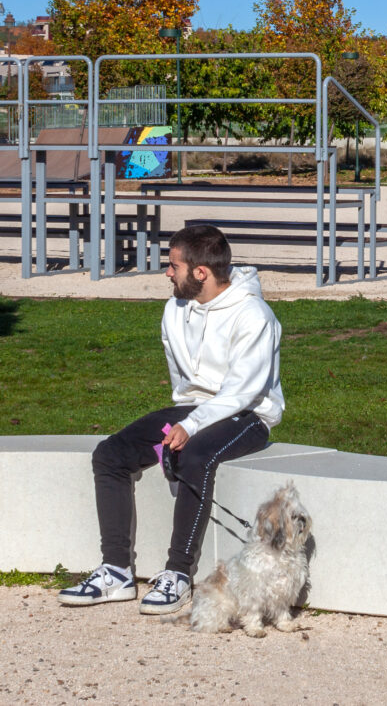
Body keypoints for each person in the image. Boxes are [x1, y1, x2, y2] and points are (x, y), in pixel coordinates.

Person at [60, 224, 283, 616]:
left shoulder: (254, 314)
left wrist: (191, 427)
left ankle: (178, 575)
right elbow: (183, 385)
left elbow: (243, 392)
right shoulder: (174, 308)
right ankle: (116, 571)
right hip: (192, 410)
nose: (167, 273)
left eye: (173, 265)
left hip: (247, 415)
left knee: (195, 456)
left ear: (201, 272)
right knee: (110, 454)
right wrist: (184, 420)